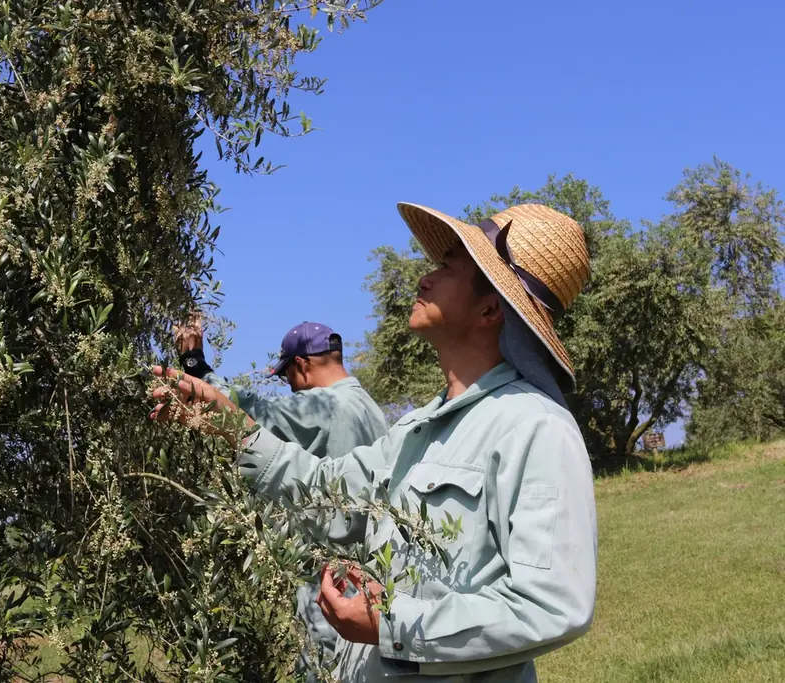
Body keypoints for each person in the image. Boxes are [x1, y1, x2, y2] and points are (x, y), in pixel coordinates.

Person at [151, 201, 598, 682]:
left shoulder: (536, 428)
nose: (424, 279)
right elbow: (328, 492)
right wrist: (236, 430)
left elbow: (551, 605)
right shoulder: (416, 429)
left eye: (447, 269)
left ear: (490, 308)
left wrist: (394, 625)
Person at [175, 317, 389, 679]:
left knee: (324, 669)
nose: (289, 386)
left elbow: (247, 411)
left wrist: (194, 364)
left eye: (287, 375)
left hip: (332, 577)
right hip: (372, 576)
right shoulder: (371, 408)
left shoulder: (327, 405)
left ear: (301, 365)